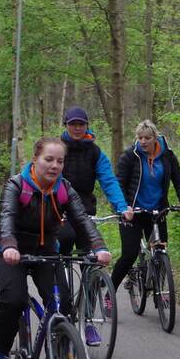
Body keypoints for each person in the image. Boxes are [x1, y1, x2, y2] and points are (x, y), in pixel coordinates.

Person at [0, 137, 112, 359]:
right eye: (49, 159)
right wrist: (10, 246)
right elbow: (7, 218)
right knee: (13, 300)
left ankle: (62, 356)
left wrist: (98, 247)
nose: (54, 165)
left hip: (46, 251)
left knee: (62, 303)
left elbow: (82, 221)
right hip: (12, 251)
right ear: (35, 160)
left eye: (60, 161)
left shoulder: (64, 188)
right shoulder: (17, 185)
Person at [111, 120, 180, 291]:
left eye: (147, 138)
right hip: (133, 213)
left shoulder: (167, 155)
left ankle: (160, 291)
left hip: (157, 211)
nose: (143, 141)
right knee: (129, 254)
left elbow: (179, 179)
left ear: (155, 137)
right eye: (140, 138)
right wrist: (124, 207)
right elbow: (119, 184)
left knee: (161, 251)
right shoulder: (130, 156)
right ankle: (111, 292)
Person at [58, 106, 132, 256]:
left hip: (85, 208)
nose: (77, 128)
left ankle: (90, 278)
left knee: (90, 256)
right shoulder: (57, 148)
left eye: (81, 124)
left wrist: (122, 206)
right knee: (65, 240)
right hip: (59, 207)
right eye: (73, 124)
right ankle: (58, 272)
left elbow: (108, 181)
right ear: (66, 125)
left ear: (87, 126)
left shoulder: (95, 152)